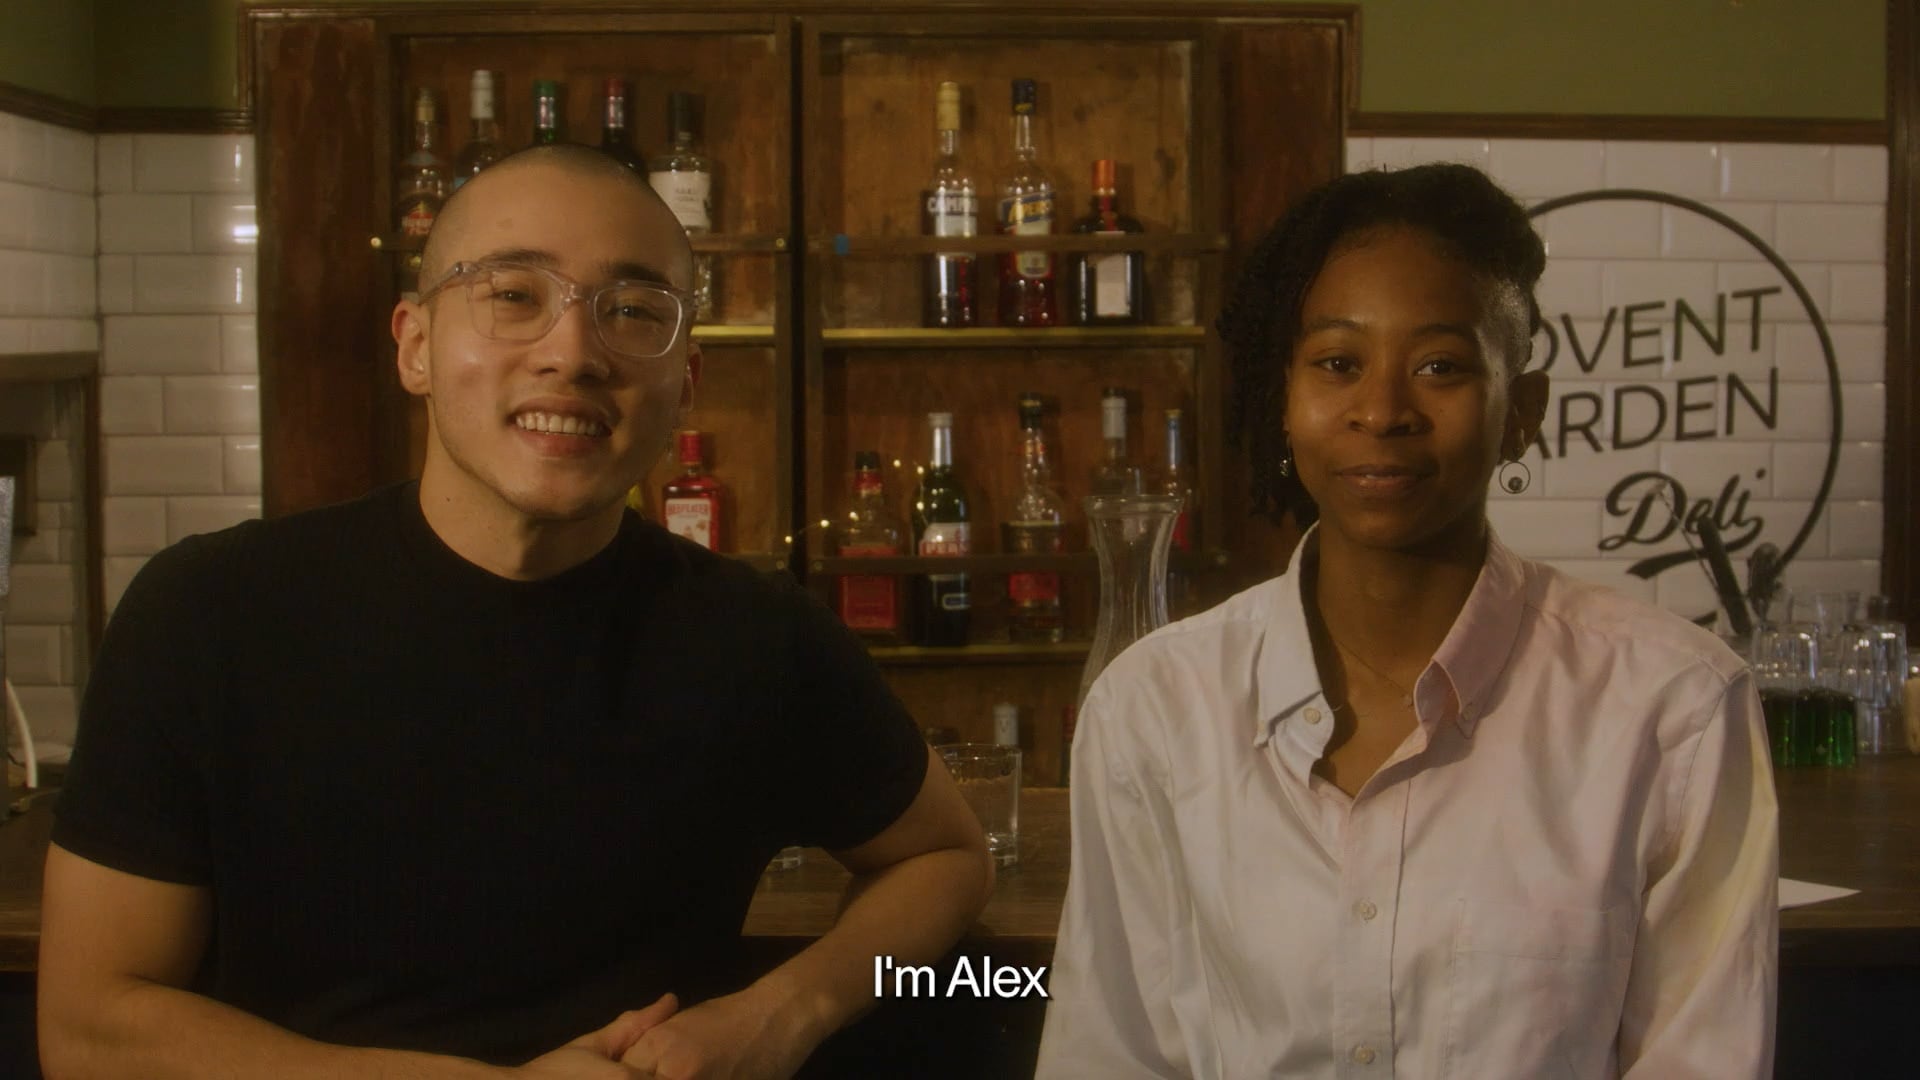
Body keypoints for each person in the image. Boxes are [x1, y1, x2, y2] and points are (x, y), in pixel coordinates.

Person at [39, 144, 995, 1079]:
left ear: (685, 383)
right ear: (414, 345)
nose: (572, 353)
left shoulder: (756, 639)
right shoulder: (210, 613)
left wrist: (781, 1016)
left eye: (631, 311)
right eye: (512, 296)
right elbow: (89, 1027)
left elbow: (946, 858)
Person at [1036, 163, 1777, 1078]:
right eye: (1338, 363)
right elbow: (1110, 1053)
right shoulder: (1154, 709)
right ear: (1283, 400)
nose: (1382, 412)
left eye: (1441, 367)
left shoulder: (1673, 709)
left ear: (1524, 415)